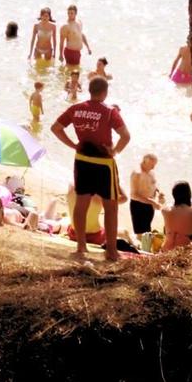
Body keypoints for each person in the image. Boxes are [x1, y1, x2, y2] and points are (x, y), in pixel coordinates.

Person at [51, 76, 131, 261]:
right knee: (110, 207)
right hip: (103, 163)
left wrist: (73, 145)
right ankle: (111, 251)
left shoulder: (76, 108)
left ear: (89, 90)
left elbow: (56, 128)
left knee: (81, 204)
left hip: (82, 159)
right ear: (105, 92)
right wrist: (115, 151)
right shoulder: (110, 112)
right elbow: (125, 136)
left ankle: (81, 246)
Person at [162, 181, 192, 249]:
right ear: (189, 195)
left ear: (174, 195)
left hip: (167, 249)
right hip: (186, 250)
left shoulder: (165, 211)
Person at [128, 153, 162, 240]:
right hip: (138, 205)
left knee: (148, 231)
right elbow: (134, 195)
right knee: (141, 233)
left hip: (149, 204)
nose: (153, 168)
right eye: (152, 165)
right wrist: (153, 202)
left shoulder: (151, 172)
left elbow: (153, 185)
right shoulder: (136, 173)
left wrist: (159, 193)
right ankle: (143, 251)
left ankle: (147, 249)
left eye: (154, 165)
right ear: (144, 162)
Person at [60, 5, 91, 74]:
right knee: (70, 72)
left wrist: (88, 47)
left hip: (78, 52)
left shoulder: (79, 22)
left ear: (75, 13)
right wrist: (60, 55)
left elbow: (81, 35)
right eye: (68, 13)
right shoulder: (65, 26)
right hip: (70, 52)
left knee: (76, 72)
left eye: (71, 13)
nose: (69, 15)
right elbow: (61, 42)